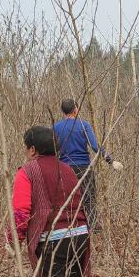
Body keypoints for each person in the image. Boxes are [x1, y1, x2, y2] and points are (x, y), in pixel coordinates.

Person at [8, 126, 93, 277]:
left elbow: (21, 211)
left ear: (33, 149)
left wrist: (13, 239)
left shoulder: (26, 172)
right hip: (81, 233)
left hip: (53, 237)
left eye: (26, 148)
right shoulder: (66, 168)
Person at [53, 98, 122, 229]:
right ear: (75, 110)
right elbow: (95, 147)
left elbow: (53, 149)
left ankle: (70, 225)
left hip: (64, 168)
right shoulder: (83, 125)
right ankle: (93, 225)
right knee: (88, 196)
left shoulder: (56, 127)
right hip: (83, 167)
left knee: (67, 198)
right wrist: (110, 161)